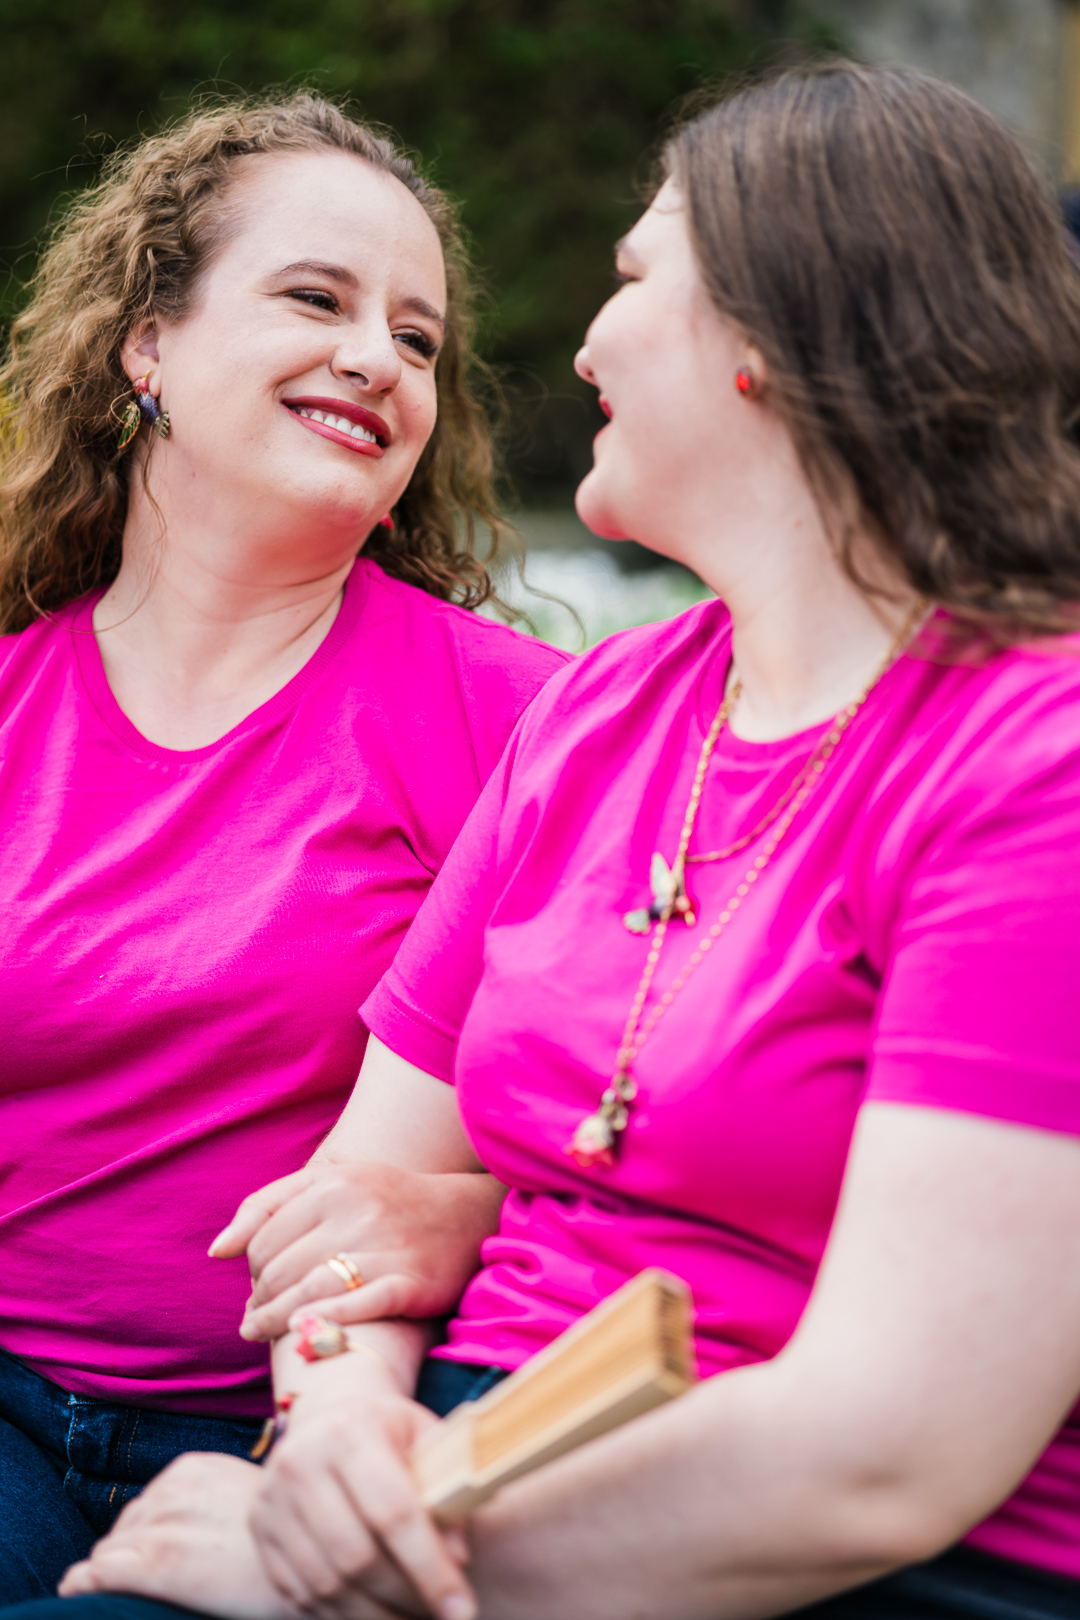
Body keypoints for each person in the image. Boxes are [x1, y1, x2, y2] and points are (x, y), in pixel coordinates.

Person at [37, 59, 1080, 1620]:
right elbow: (357, 1204)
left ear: (772, 337)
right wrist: (332, 1447)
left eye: (632, 277)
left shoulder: (1030, 758)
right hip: (439, 1460)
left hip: (787, 1548)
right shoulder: (608, 716)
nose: (582, 342)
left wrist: (357, 1567)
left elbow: (888, 1451)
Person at [0, 91, 567, 1603]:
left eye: (418, 336)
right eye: (317, 298)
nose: (379, 356)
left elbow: (662, 1104)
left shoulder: (531, 723)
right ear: (149, 345)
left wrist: (469, 1209)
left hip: (321, 1425)